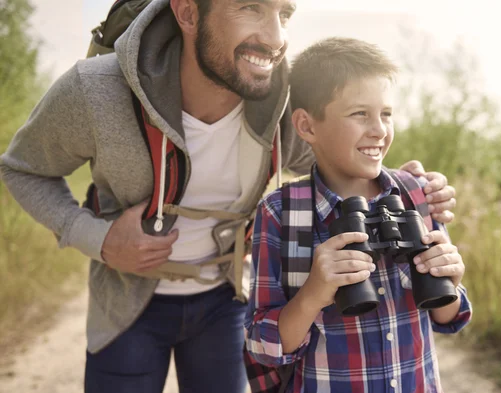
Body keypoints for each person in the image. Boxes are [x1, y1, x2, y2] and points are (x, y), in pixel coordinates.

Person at [0, 1, 457, 392]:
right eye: (250, 7)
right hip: (125, 307)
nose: (276, 38)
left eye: (284, 12)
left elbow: (338, 152)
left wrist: (402, 182)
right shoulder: (95, 90)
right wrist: (98, 240)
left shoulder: (280, 98)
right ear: (186, 11)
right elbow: (22, 169)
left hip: (226, 305)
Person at [244, 37, 472, 393]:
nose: (379, 130)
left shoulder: (415, 193)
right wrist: (314, 293)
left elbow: (447, 316)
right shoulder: (280, 213)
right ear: (306, 126)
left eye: (386, 114)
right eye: (359, 114)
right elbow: (263, 346)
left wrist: (451, 280)